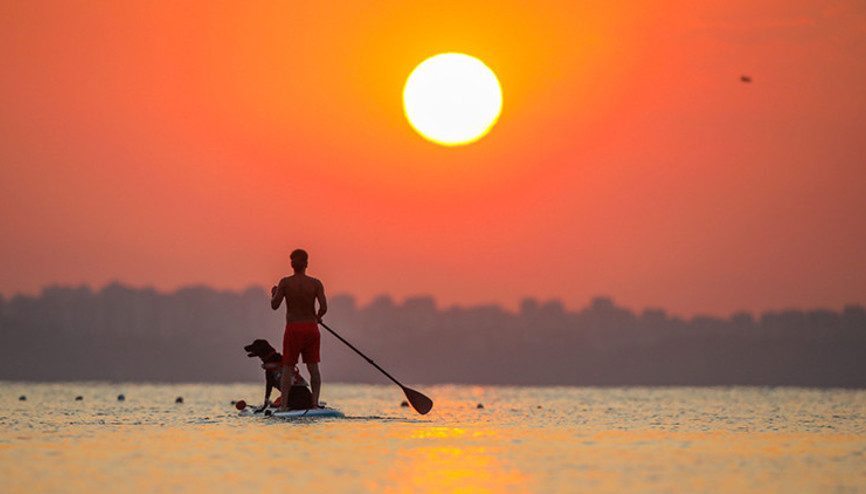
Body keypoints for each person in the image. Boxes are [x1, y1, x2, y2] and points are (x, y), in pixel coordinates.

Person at [271, 249, 327, 410]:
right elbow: (324, 307)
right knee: (313, 368)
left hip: (293, 329)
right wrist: (317, 316)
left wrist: (274, 293)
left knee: (288, 367)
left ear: (292, 264)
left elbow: (274, 305)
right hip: (311, 329)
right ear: (307, 264)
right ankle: (315, 404)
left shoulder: (285, 283)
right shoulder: (316, 283)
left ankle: (284, 406)